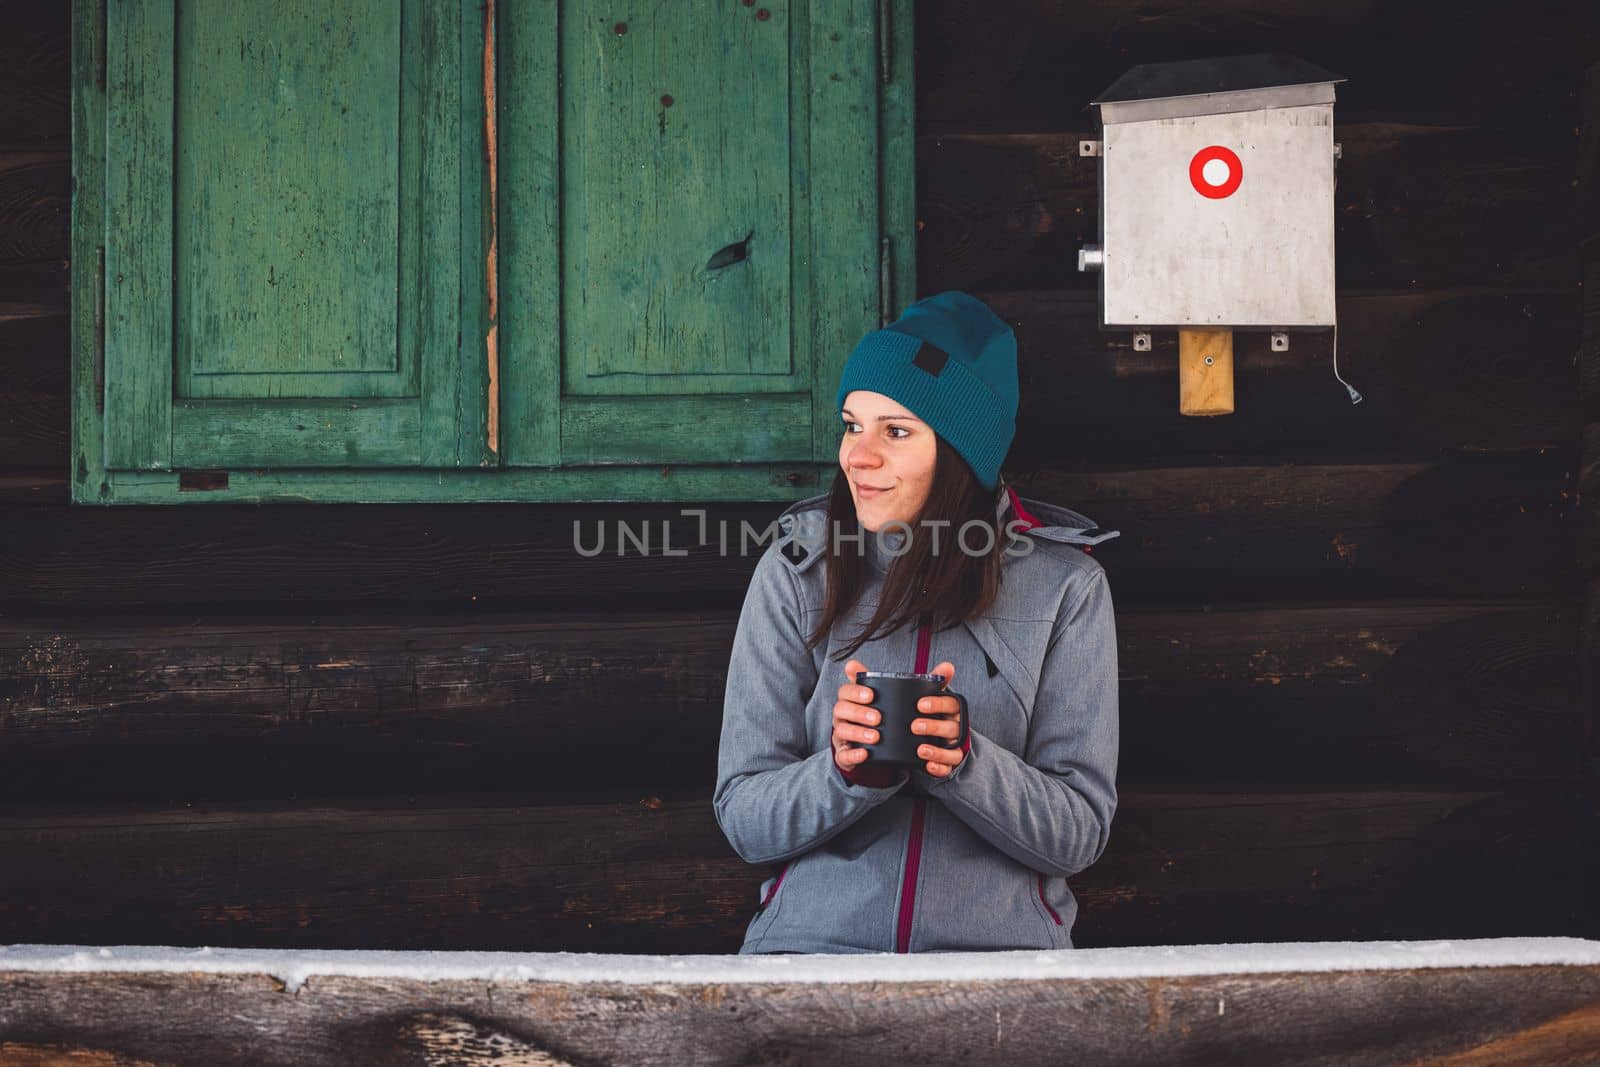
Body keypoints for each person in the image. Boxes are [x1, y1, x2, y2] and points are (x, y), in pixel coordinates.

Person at [713, 291, 1121, 954]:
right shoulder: (796, 572)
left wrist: (962, 760)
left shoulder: (1066, 587)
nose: (859, 456)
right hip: (810, 964)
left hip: (1000, 974)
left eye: (895, 431)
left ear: (961, 453)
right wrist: (845, 774)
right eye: (852, 425)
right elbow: (744, 817)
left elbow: (1078, 832)